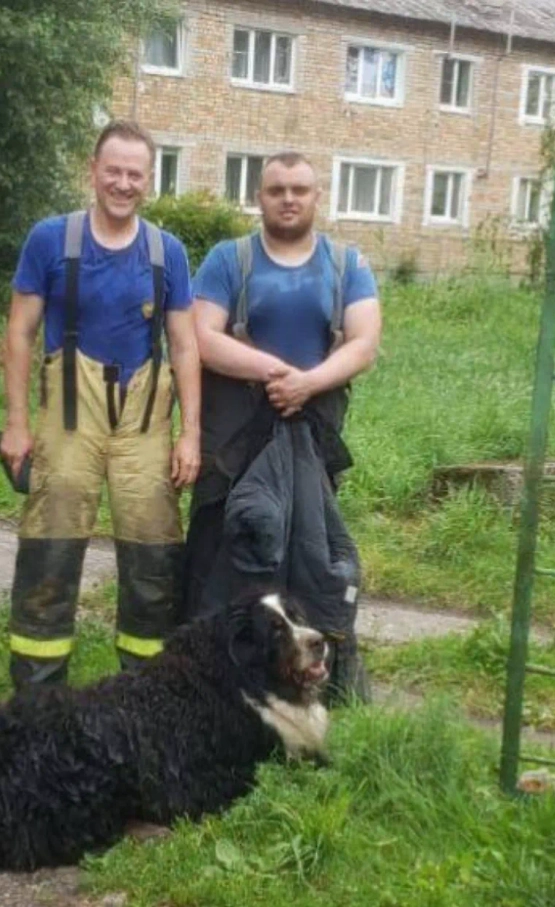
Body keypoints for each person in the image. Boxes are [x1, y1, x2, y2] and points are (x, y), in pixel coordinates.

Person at [0, 120, 201, 689]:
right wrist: (16, 424)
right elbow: (19, 333)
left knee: (154, 545)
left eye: (135, 174)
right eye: (113, 170)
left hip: (144, 420)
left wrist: (191, 435)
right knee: (53, 536)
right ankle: (38, 688)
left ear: (149, 181)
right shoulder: (50, 240)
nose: (123, 183)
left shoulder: (169, 253)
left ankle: (151, 685)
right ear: (93, 171)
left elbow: (185, 346)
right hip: (69, 414)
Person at [184, 151, 381, 702]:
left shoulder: (346, 265)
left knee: (310, 561)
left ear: (318, 197)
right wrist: (277, 373)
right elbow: (203, 335)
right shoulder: (230, 259)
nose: (288, 199)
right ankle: (216, 688)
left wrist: (308, 384)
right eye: (276, 190)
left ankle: (308, 684)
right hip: (236, 448)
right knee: (226, 558)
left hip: (309, 445)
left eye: (299, 189)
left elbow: (364, 342)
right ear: (260, 197)